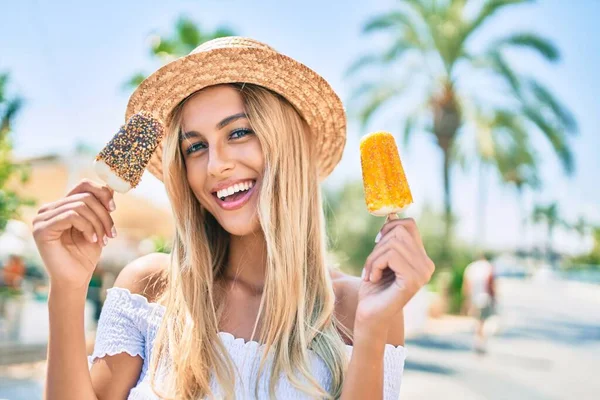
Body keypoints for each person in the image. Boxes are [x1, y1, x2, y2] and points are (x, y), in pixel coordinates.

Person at [33, 37, 434, 399]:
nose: (216, 165)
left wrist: (371, 328)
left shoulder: (358, 308)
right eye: (195, 147)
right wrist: (66, 290)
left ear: (286, 143)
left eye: (239, 133)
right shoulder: (149, 290)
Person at [462, 252, 496, 354]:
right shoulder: (488, 267)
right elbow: (491, 284)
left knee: (477, 320)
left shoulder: (470, 268)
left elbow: (466, 285)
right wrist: (494, 298)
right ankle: (480, 343)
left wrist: (466, 300)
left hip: (474, 298)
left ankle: (478, 341)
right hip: (484, 297)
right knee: (482, 321)